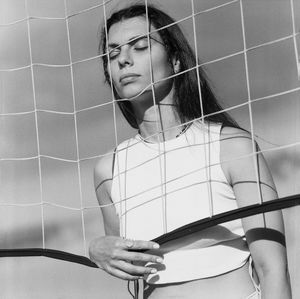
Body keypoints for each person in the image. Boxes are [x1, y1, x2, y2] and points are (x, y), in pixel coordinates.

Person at [89, 4, 291, 299]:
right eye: (113, 53)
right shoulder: (108, 170)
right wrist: (97, 250)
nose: (124, 60)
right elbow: (126, 263)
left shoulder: (232, 147)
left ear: (175, 60)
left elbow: (273, 269)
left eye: (140, 46)